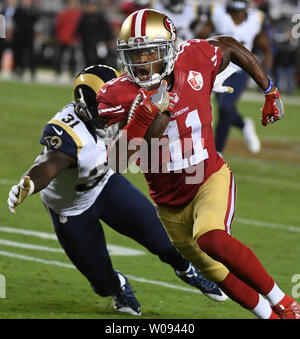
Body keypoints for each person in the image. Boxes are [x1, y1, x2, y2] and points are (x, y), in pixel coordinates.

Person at [97, 9, 300, 319]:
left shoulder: (194, 57)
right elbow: (116, 160)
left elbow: (231, 46)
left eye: (148, 50)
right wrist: (142, 116)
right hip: (168, 205)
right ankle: (270, 316)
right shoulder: (117, 94)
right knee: (215, 271)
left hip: (208, 179)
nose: (140, 61)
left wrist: (268, 89)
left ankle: (286, 303)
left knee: (212, 237)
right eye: (133, 53)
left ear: (167, 47)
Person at [7, 64, 227, 316]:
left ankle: (186, 268)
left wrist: (200, 88)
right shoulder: (69, 130)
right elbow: (49, 165)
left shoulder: (124, 107)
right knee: (101, 281)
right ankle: (118, 287)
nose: (118, 103)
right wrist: (29, 183)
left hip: (105, 186)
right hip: (70, 209)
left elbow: (161, 110)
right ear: (89, 106)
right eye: (109, 100)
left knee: (164, 240)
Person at [197, 0, 274, 155]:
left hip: (240, 71)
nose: (236, 15)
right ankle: (243, 125)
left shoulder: (255, 19)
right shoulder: (218, 14)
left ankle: (218, 150)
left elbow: (266, 48)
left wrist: (265, 74)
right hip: (217, 70)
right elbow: (201, 36)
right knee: (225, 108)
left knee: (225, 107)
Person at [76, 0, 116, 68]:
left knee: (101, 59)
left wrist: (109, 40)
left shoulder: (100, 17)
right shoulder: (84, 17)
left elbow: (107, 29)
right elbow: (79, 30)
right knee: (88, 61)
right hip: (87, 44)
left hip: (100, 43)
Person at [11, 0, 39, 80]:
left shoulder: (34, 10)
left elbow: (37, 23)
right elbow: (14, 21)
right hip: (19, 35)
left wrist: (37, 35)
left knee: (31, 54)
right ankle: (18, 70)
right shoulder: (18, 10)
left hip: (30, 36)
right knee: (18, 53)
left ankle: (32, 71)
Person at [54, 0, 82, 78]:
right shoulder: (63, 14)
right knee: (60, 56)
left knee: (73, 58)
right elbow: (58, 26)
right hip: (64, 39)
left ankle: (72, 72)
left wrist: (76, 39)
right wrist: (61, 37)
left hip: (74, 40)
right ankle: (58, 72)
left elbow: (80, 28)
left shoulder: (79, 14)